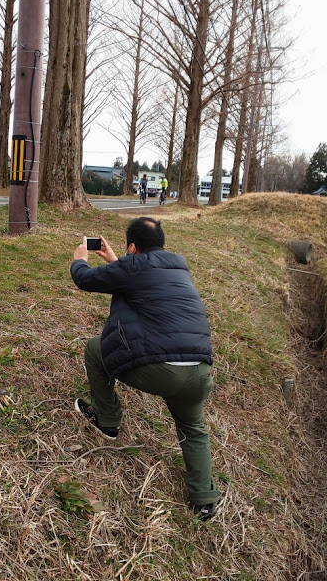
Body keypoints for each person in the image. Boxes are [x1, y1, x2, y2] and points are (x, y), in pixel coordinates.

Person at [70, 217, 219, 520]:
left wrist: (80, 258)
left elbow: (85, 279)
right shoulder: (178, 267)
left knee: (95, 350)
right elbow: (138, 281)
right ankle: (203, 499)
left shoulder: (133, 266)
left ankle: (107, 421)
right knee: (192, 428)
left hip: (161, 370)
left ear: (133, 247)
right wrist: (116, 260)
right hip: (200, 372)